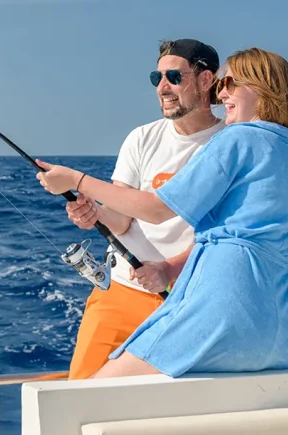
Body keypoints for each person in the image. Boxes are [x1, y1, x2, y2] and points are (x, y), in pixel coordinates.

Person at [38, 47, 288, 379]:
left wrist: (75, 179)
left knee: (85, 396)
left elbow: (157, 210)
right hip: (279, 326)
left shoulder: (236, 138)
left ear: (263, 88)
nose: (221, 92)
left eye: (229, 82)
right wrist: (94, 211)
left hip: (217, 307)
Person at [64, 39, 225, 380]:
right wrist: (95, 212)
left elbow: (224, 234)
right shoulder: (141, 138)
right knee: (75, 392)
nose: (162, 87)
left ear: (206, 80)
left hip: (186, 301)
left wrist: (168, 270)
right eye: (157, 78)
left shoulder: (230, 143)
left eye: (173, 77)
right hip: (121, 291)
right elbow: (121, 219)